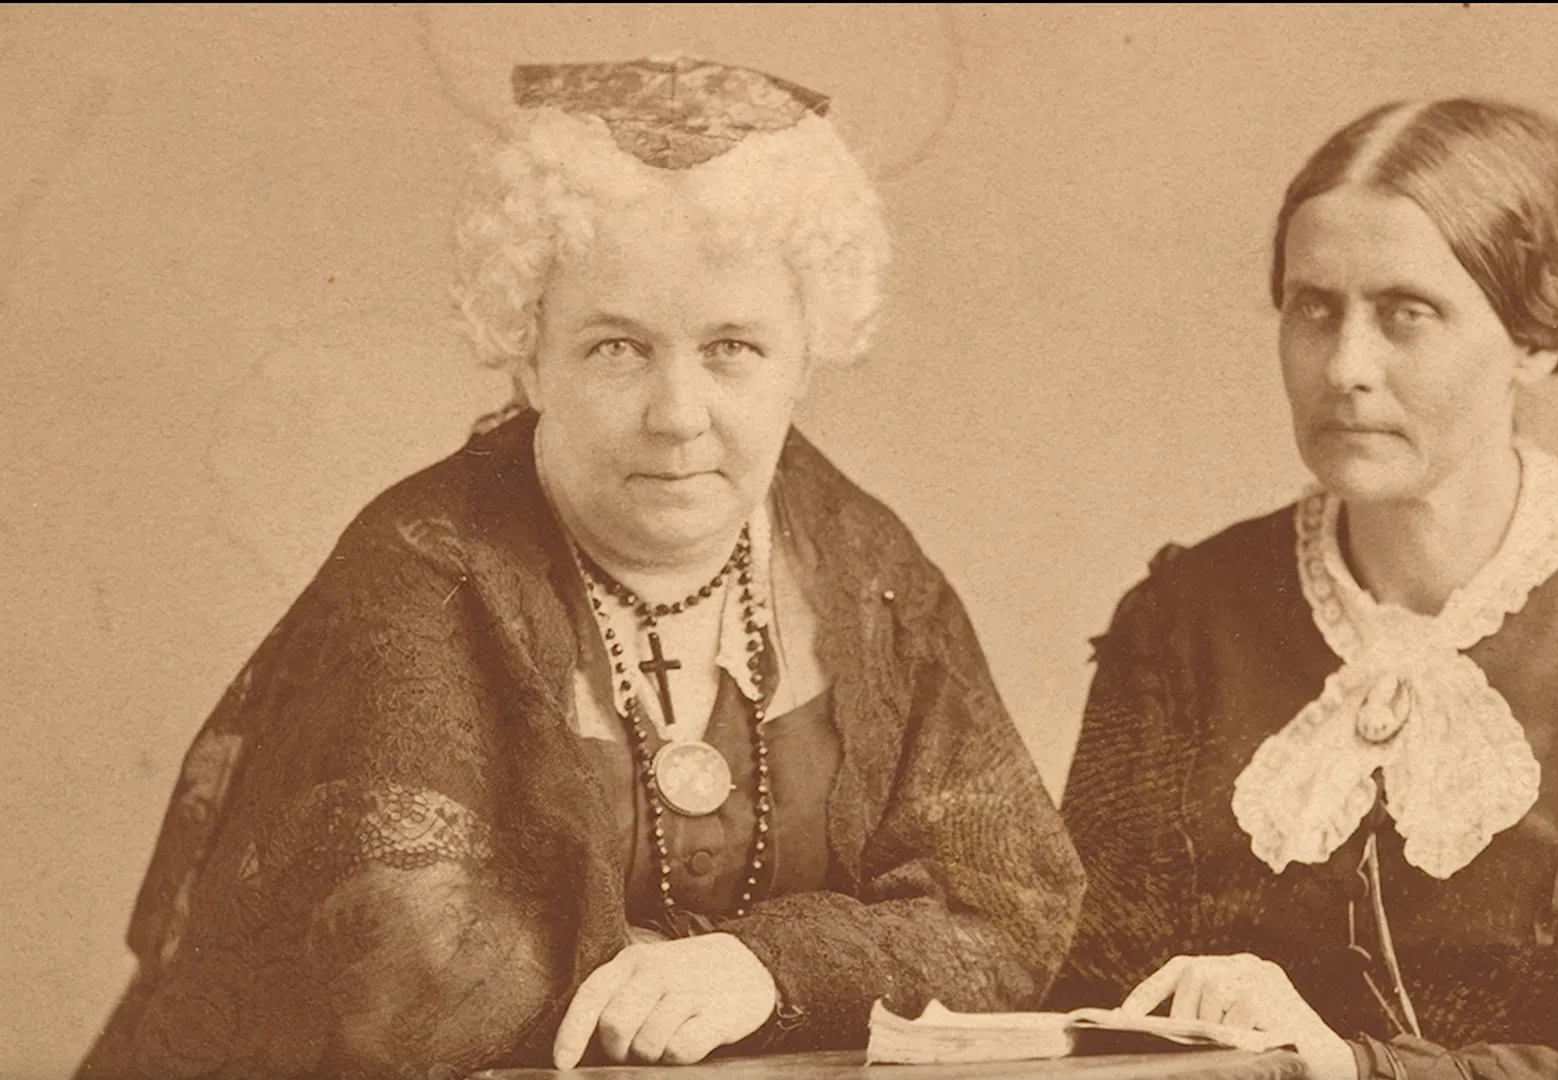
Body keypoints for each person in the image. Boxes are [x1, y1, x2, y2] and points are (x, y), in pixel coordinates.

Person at [78, 56, 1082, 1079]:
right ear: (529, 354)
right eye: (617, 348)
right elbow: (406, 971)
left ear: (804, 359)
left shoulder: (864, 566)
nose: (678, 415)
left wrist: (766, 967)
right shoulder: (423, 569)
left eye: (732, 347)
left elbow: (1009, 907)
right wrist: (701, 981)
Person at [1050, 98, 1558, 1080]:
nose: (1345, 367)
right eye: (1313, 309)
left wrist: (1355, 1070)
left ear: (1534, 339)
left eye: (1406, 314)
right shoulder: (1183, 624)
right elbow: (1082, 1016)